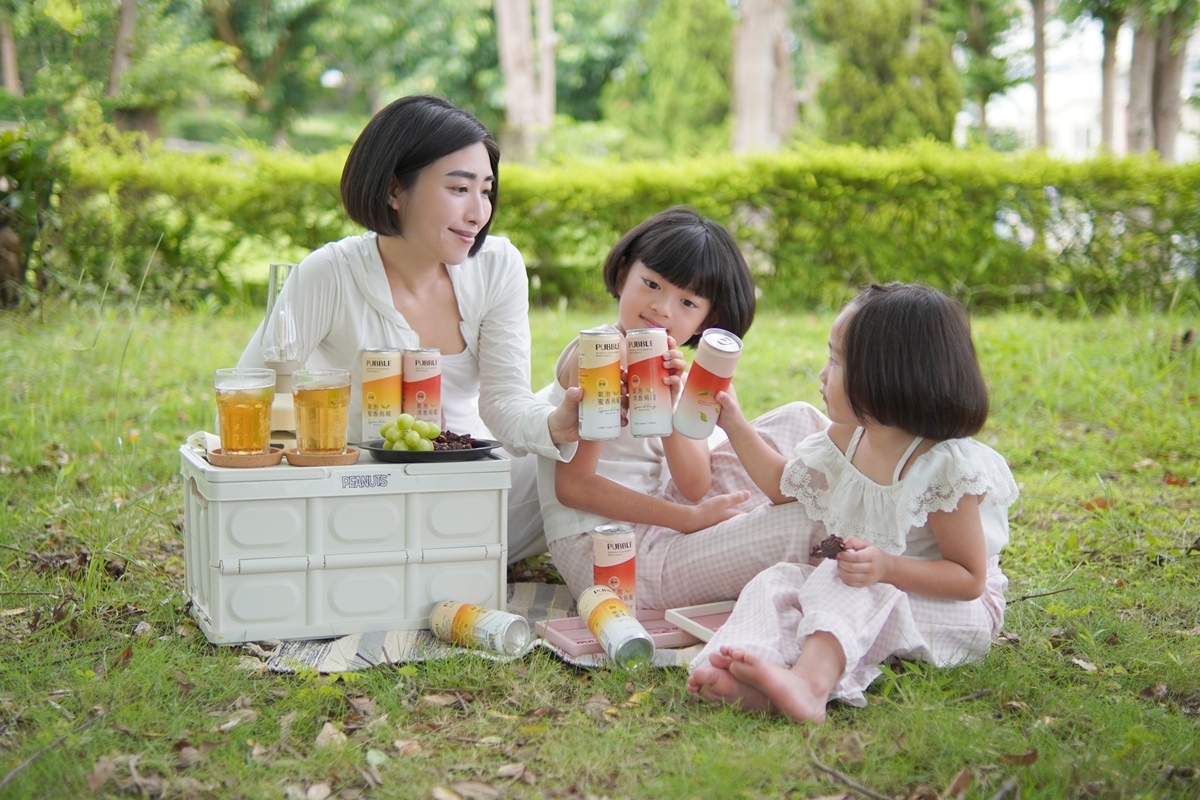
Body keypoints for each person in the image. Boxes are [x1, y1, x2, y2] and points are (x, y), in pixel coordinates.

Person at [237, 95, 581, 563]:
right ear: (394, 190)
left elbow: (504, 399)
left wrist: (556, 425)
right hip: (363, 499)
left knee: (586, 423)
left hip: (472, 484)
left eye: (486, 191)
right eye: (459, 188)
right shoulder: (330, 273)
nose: (478, 212)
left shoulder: (497, 264)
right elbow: (249, 397)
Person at [686, 282, 1019, 722]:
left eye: (836, 361)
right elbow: (782, 486)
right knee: (779, 580)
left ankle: (809, 686)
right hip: (873, 585)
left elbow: (969, 579)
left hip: (955, 612)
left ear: (887, 375)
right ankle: (749, 668)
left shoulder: (942, 467)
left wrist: (888, 568)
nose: (822, 374)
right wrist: (734, 423)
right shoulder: (849, 438)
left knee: (842, 582)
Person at [537, 206, 831, 609]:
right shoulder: (600, 354)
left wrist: (673, 404)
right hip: (613, 556)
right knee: (805, 522)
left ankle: (868, 510)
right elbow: (573, 487)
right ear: (623, 275)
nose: (663, 308)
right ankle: (876, 556)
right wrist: (688, 521)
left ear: (708, 320)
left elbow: (694, 486)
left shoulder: (668, 367)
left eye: (688, 302)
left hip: (663, 518)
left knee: (800, 418)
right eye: (651, 284)